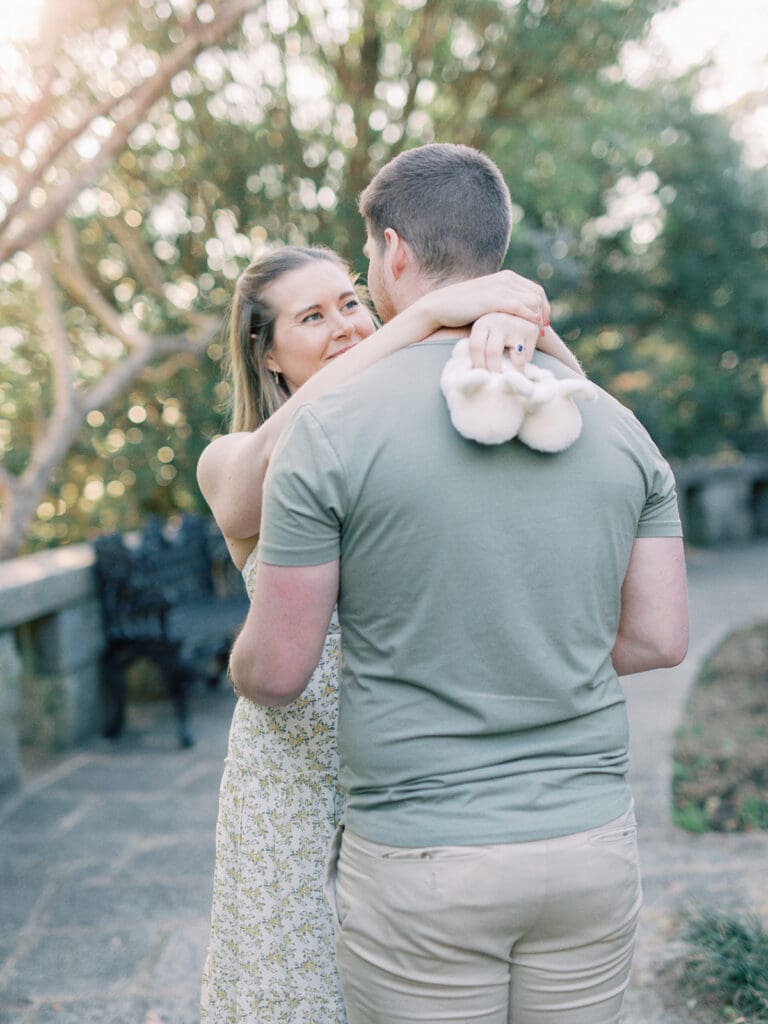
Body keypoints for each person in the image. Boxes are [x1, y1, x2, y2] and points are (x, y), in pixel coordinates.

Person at [230, 143, 689, 1024]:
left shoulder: (327, 433)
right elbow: (660, 639)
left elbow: (278, 673)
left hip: (423, 858)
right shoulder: (618, 426)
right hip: (589, 845)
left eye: (363, 270)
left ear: (393, 252)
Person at [197, 243, 582, 1023]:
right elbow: (262, 475)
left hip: (420, 779)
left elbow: (584, 410)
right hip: (293, 791)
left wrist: (522, 325)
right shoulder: (231, 457)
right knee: (292, 993)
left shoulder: (408, 434)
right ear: (266, 354)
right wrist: (427, 318)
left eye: (350, 301)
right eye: (312, 316)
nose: (344, 323)